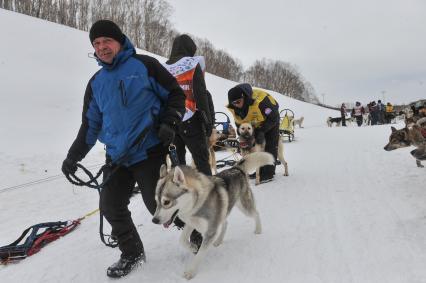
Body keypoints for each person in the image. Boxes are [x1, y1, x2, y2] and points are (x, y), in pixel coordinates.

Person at [60, 20, 185, 278]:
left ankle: (193, 228)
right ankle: (132, 253)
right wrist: (73, 156)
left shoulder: (145, 65)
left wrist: (170, 120)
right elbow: (90, 125)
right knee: (110, 205)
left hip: (149, 151)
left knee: (157, 205)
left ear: (119, 41)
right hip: (116, 157)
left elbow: (175, 95)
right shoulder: (95, 83)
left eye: (106, 41)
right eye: (96, 43)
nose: (101, 47)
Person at [163, 34, 213, 176]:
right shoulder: (192, 64)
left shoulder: (164, 66)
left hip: (171, 120)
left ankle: (180, 193)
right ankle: (209, 193)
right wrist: (208, 122)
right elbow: (200, 94)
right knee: (201, 159)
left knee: (177, 162)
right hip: (191, 118)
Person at [226, 83, 280, 183]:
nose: (236, 104)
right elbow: (239, 124)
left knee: (269, 144)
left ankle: (268, 173)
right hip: (253, 125)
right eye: (234, 103)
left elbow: (274, 118)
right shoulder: (235, 107)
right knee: (255, 147)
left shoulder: (262, 102)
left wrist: (262, 131)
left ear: (244, 98)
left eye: (238, 101)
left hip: (270, 121)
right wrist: (242, 139)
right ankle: (259, 170)